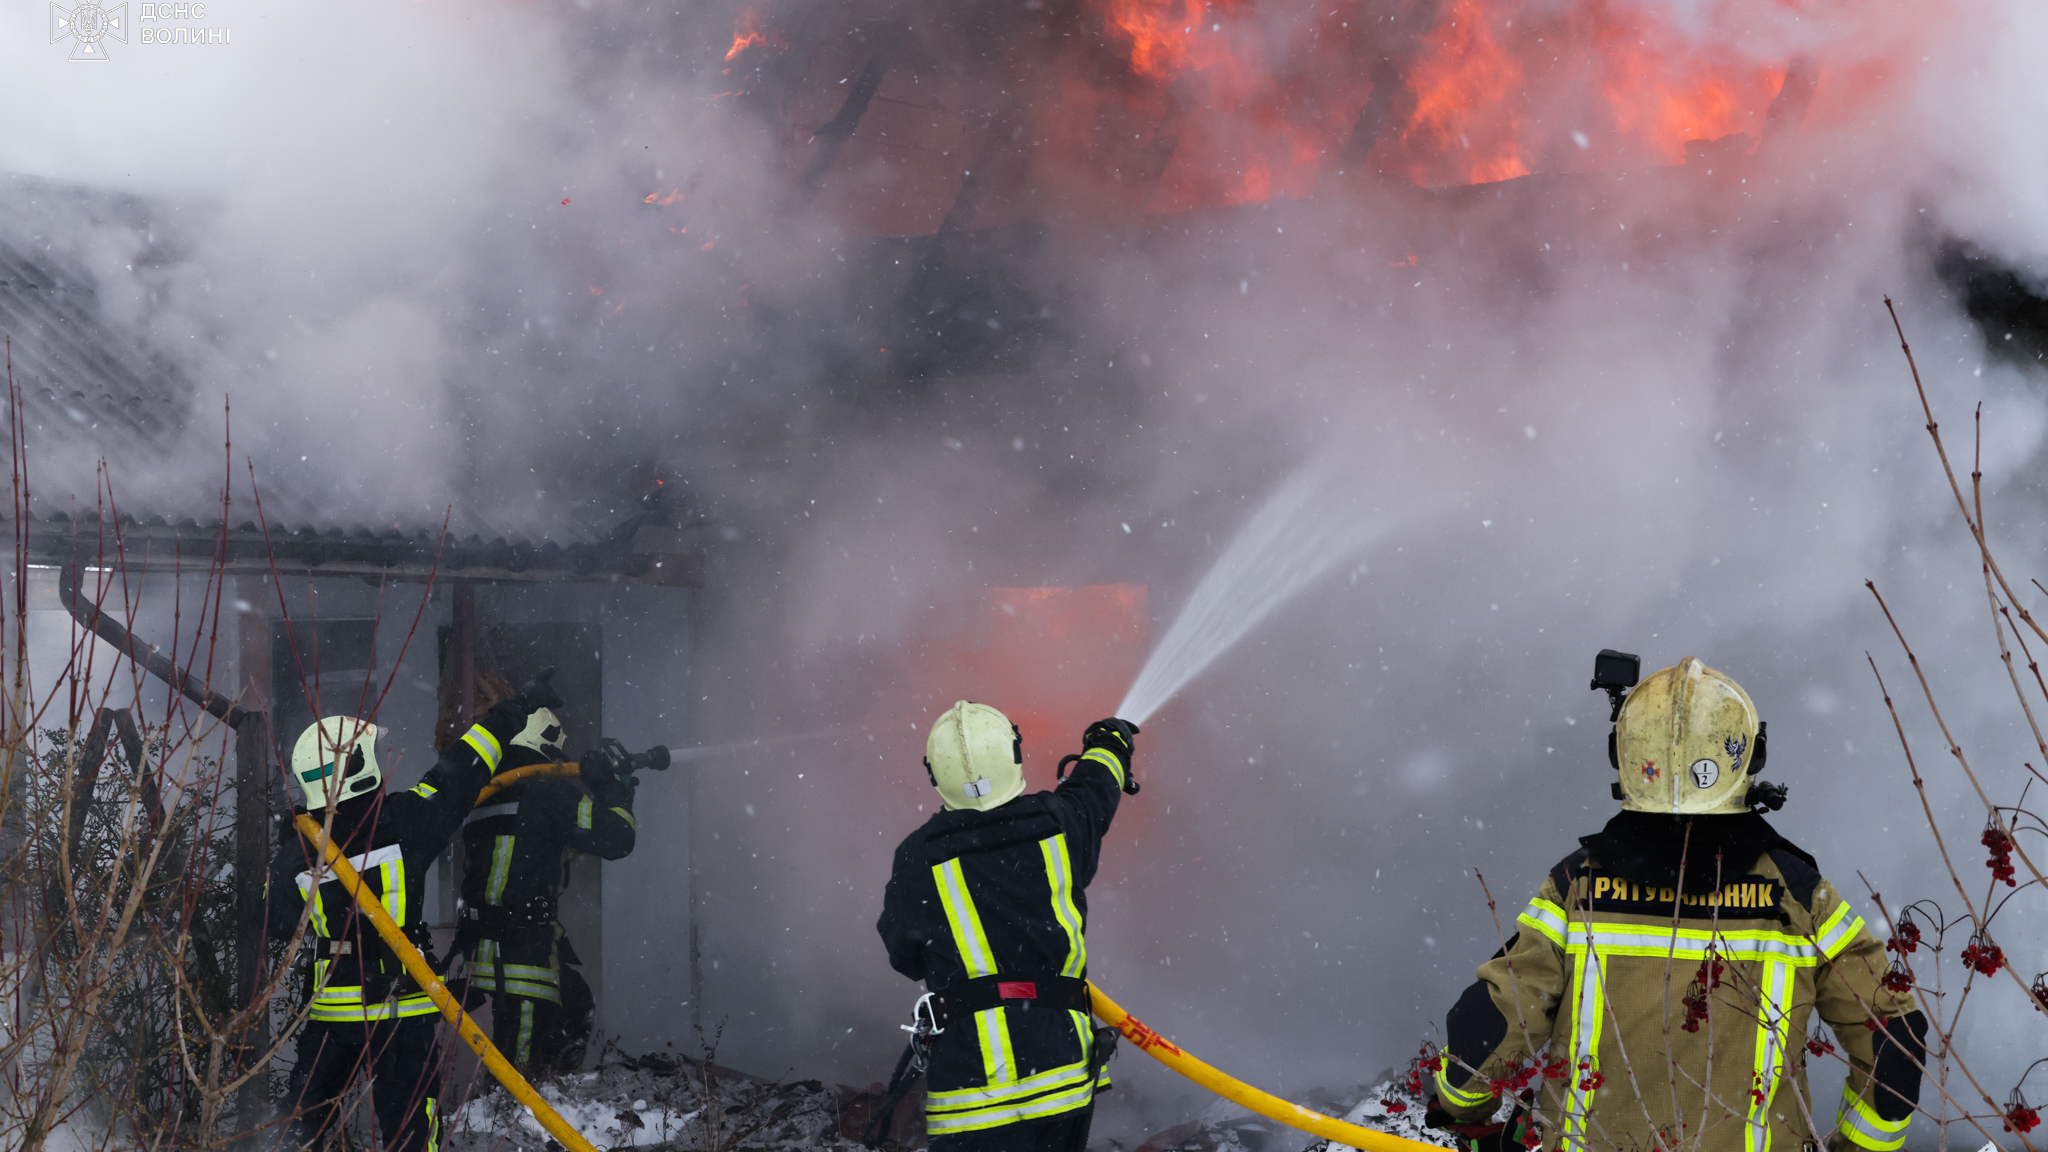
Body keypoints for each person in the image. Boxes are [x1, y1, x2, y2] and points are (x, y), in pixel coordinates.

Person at [1427, 656, 1927, 1152]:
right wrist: (1857, 1147)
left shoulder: (1576, 888)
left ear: (1623, 755)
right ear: (1750, 757)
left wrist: (1463, 1109)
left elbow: (1493, 1025)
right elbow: (1894, 1038)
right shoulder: (1799, 896)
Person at [267, 670, 562, 1152]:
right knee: (409, 1131)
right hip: (399, 1011)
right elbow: (465, 767)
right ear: (362, 767)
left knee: (300, 1124)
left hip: (332, 1014)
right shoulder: (404, 821)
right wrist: (516, 707)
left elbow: (273, 923)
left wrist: (288, 846)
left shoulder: (296, 854)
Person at [876, 701, 1139, 1152]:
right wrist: (1109, 742)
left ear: (935, 774)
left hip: (973, 1092)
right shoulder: (1060, 821)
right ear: (1013, 755)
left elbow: (904, 956)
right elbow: (1096, 786)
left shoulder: (918, 857)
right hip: (1062, 1076)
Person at [452, 706, 638, 1072]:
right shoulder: (548, 793)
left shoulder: (487, 792)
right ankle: (528, 1099)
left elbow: (537, 848)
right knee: (518, 1075)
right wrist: (612, 792)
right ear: (547, 747)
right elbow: (618, 839)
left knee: (575, 1000)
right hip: (523, 954)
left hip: (482, 946)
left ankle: (552, 1091)